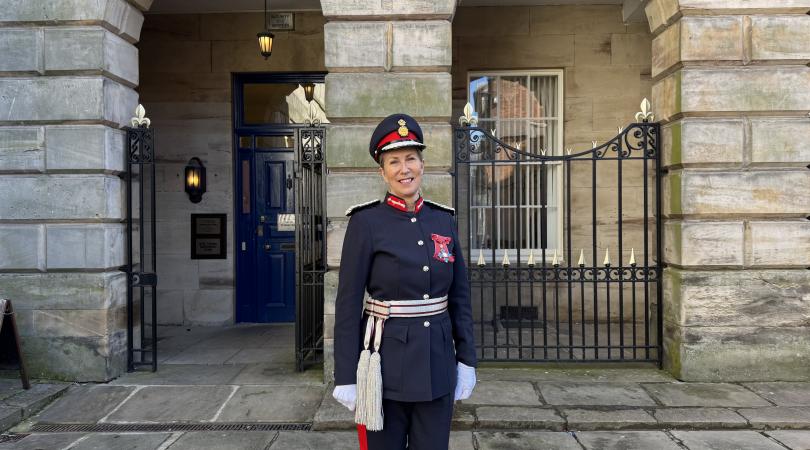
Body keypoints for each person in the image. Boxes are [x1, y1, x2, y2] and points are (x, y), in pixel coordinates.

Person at [331, 114, 478, 450]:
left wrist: (466, 360)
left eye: (410, 158)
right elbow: (348, 304)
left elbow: (460, 299)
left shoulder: (443, 219)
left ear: (422, 165)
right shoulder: (366, 222)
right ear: (382, 172)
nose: (404, 168)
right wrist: (345, 375)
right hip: (384, 370)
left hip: (437, 365)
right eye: (393, 161)